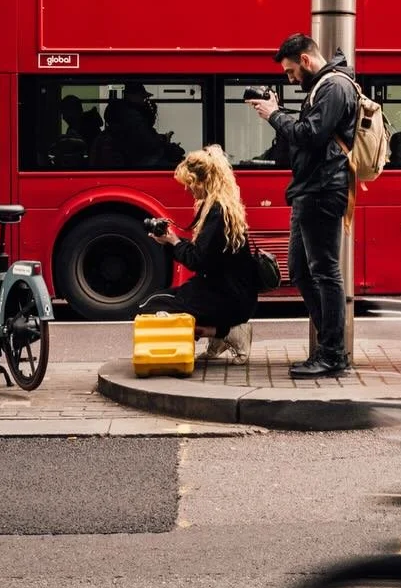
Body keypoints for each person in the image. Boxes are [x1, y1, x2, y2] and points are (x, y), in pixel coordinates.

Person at [248, 33, 357, 379]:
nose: (292, 79)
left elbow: (311, 135)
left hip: (324, 189)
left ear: (306, 61)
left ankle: (332, 353)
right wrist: (281, 115)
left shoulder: (334, 87)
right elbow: (304, 139)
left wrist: (275, 114)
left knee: (325, 272)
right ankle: (329, 346)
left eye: (292, 72)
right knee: (299, 270)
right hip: (308, 188)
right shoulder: (321, 87)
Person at [142, 146, 259, 362]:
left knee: (152, 307)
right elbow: (208, 254)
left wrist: (174, 241)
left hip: (228, 298)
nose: (189, 190)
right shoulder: (222, 207)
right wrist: (171, 241)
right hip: (230, 292)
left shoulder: (216, 213)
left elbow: (197, 260)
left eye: (190, 183)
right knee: (161, 301)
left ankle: (227, 331)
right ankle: (220, 334)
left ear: (202, 181)